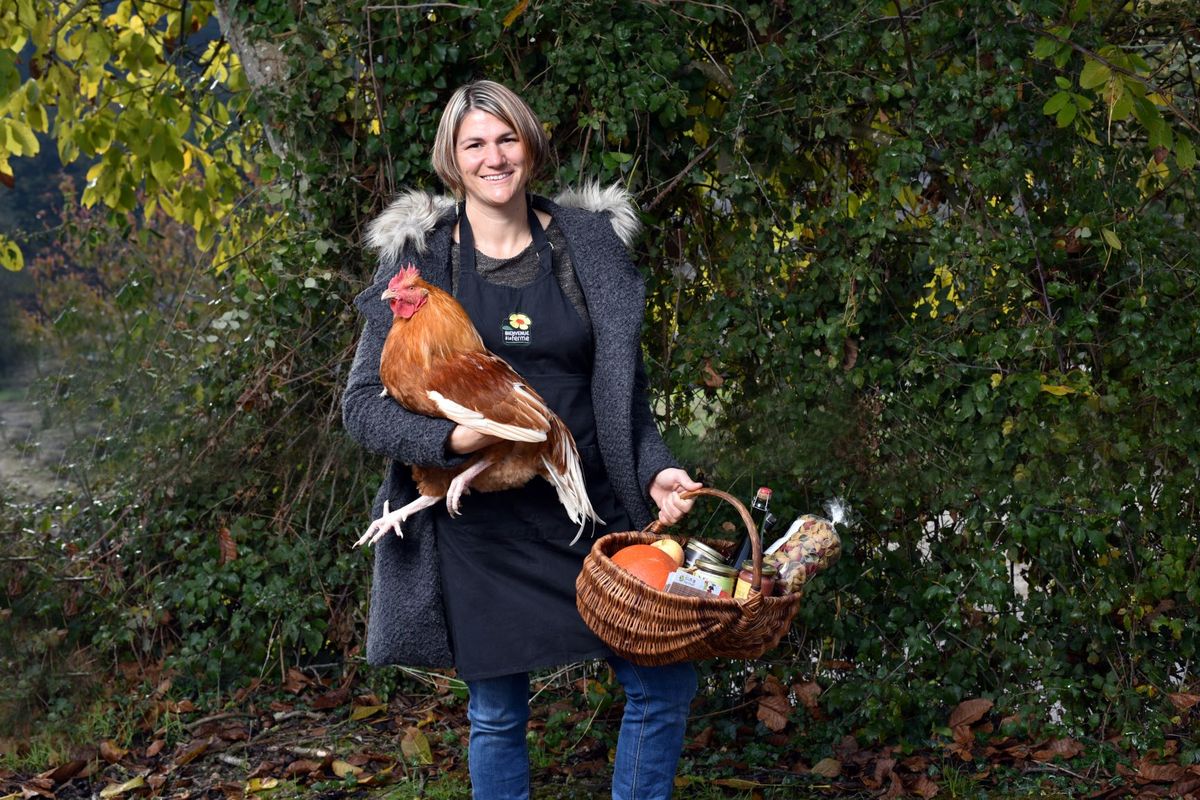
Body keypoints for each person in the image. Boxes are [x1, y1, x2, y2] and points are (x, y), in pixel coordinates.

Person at [342, 79, 702, 800]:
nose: (493, 156)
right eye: (475, 143)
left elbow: (624, 395)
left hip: (587, 504)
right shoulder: (419, 260)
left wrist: (656, 468)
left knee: (663, 682)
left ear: (530, 147)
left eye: (507, 138)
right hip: (479, 519)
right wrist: (450, 439)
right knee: (498, 715)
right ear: (452, 159)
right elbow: (360, 408)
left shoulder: (587, 248)